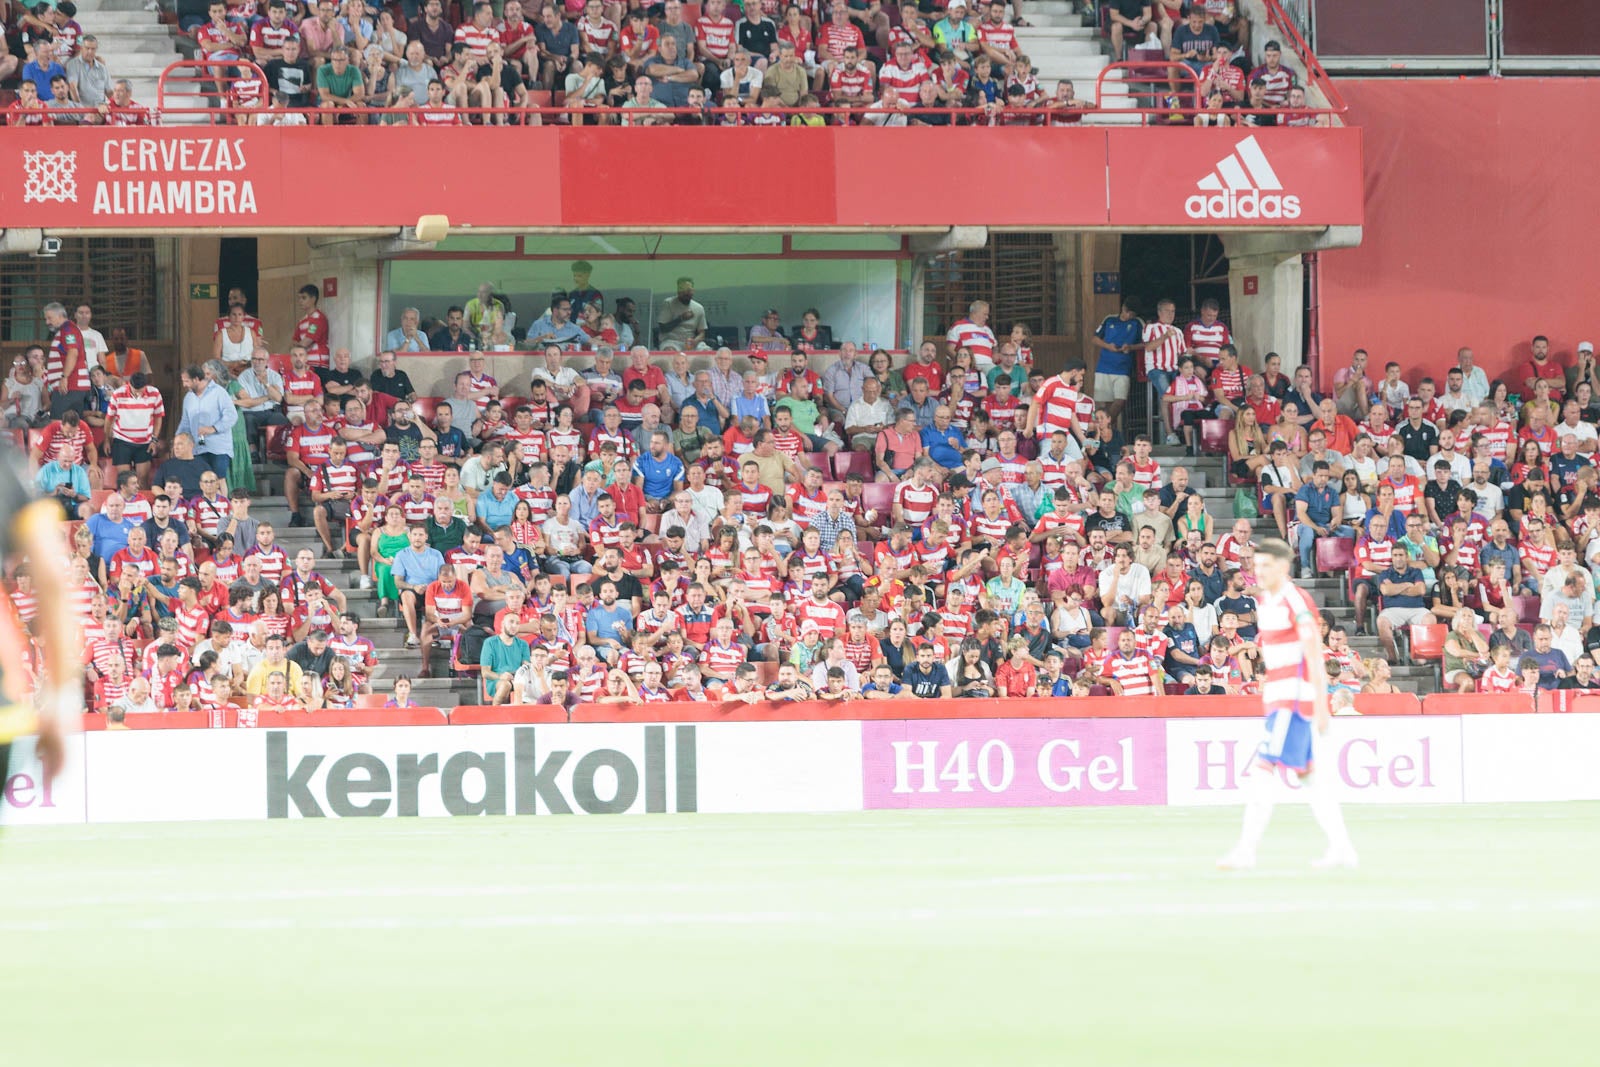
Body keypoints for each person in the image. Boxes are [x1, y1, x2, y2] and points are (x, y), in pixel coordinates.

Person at [1217, 538, 1356, 871]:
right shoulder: (1266, 601)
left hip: (1292, 699)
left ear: (1282, 567)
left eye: (1265, 566)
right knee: (1308, 775)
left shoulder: (1295, 599)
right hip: (1279, 695)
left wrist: (1321, 705)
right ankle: (1342, 848)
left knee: (1263, 767)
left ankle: (1246, 851)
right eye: (1256, 566)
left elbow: (1313, 650)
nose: (1258, 572)